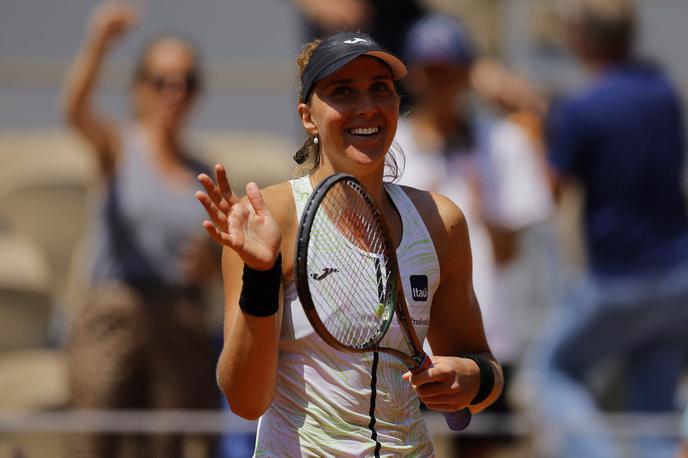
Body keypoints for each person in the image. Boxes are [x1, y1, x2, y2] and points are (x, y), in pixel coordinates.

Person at [196, 31, 503, 456]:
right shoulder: (269, 218)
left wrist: (470, 378)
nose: (366, 108)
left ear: (397, 103)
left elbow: (486, 373)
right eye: (343, 92)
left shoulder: (439, 222)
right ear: (308, 116)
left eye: (380, 89)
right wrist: (261, 274)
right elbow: (246, 402)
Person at [527, 0, 688, 457]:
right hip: (678, 275)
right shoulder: (663, 92)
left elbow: (550, 187)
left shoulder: (580, 109)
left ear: (581, 39)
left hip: (619, 278)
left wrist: (539, 126)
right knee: (653, 409)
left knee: (549, 371)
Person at [62, 3, 219, 457]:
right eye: (161, 80)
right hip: (116, 314)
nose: (174, 92)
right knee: (95, 437)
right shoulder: (118, 147)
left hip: (179, 319)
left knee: (169, 445)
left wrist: (209, 262)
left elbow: (215, 260)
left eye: (186, 82)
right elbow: (75, 112)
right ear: (140, 88)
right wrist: (99, 43)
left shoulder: (202, 170)